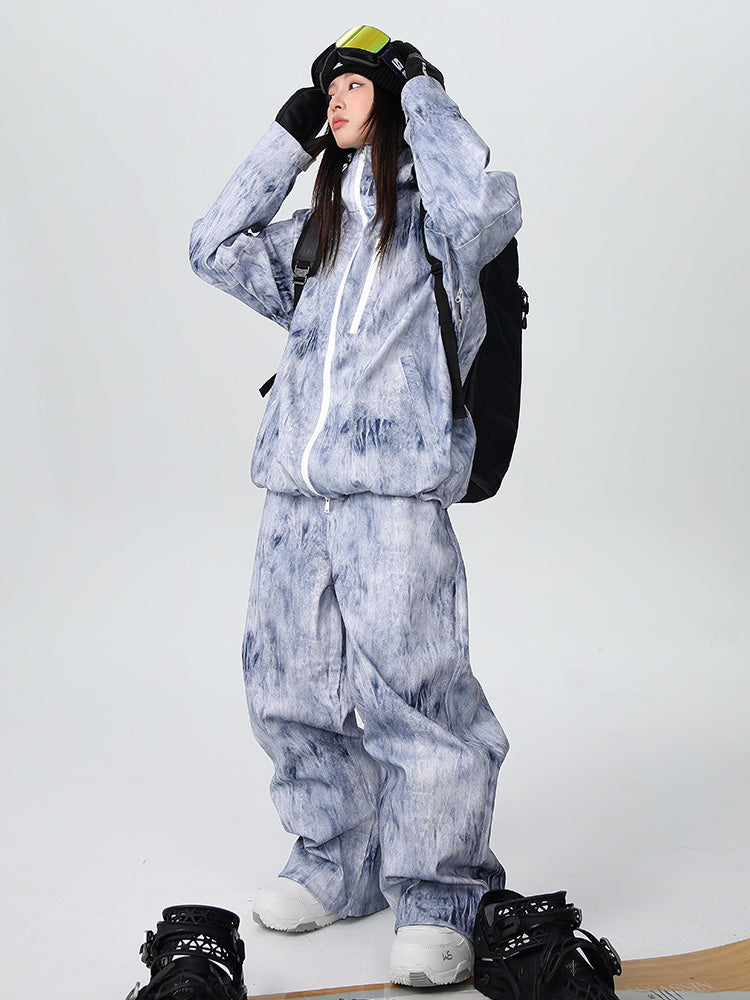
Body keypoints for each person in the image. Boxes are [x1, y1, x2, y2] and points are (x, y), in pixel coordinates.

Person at [189, 25, 522, 987]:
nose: (334, 97)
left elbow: (478, 206)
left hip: (394, 494)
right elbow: (211, 246)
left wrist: (421, 92)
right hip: (296, 494)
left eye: (352, 86)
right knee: (286, 686)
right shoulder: (317, 238)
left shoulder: (440, 231)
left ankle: (441, 895)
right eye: (325, 87)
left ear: (398, 101)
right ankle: (339, 862)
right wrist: (288, 139)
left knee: (415, 698)